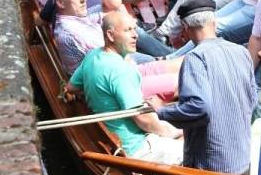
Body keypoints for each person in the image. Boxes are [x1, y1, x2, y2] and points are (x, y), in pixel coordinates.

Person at [152, 0, 257, 175]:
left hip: (209, 168)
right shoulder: (242, 52)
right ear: (214, 22)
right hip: (241, 159)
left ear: (185, 28)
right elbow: (253, 100)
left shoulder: (195, 59)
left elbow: (199, 108)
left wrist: (162, 110)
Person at [66, 11, 183, 165]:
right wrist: (173, 133)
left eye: (134, 29)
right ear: (110, 35)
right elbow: (144, 120)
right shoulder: (121, 70)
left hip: (116, 139)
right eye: (128, 30)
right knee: (198, 137)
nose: (135, 35)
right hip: (138, 148)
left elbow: (71, 87)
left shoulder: (92, 56)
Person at [53, 0, 181, 101]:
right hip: (115, 81)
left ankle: (173, 56)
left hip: (118, 70)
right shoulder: (71, 31)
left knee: (172, 63)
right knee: (177, 77)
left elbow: (115, 4)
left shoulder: (79, 18)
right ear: (60, 3)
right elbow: (108, 58)